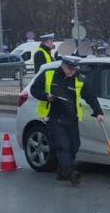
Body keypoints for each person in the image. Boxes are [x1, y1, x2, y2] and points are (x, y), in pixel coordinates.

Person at [30, 55, 104, 186]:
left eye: (74, 69)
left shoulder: (78, 78)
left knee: (74, 145)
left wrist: (98, 112)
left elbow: (90, 96)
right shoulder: (49, 74)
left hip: (72, 118)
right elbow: (34, 90)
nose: (72, 72)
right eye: (70, 69)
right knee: (63, 146)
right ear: (63, 65)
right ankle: (70, 174)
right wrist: (46, 97)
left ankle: (62, 171)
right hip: (54, 118)